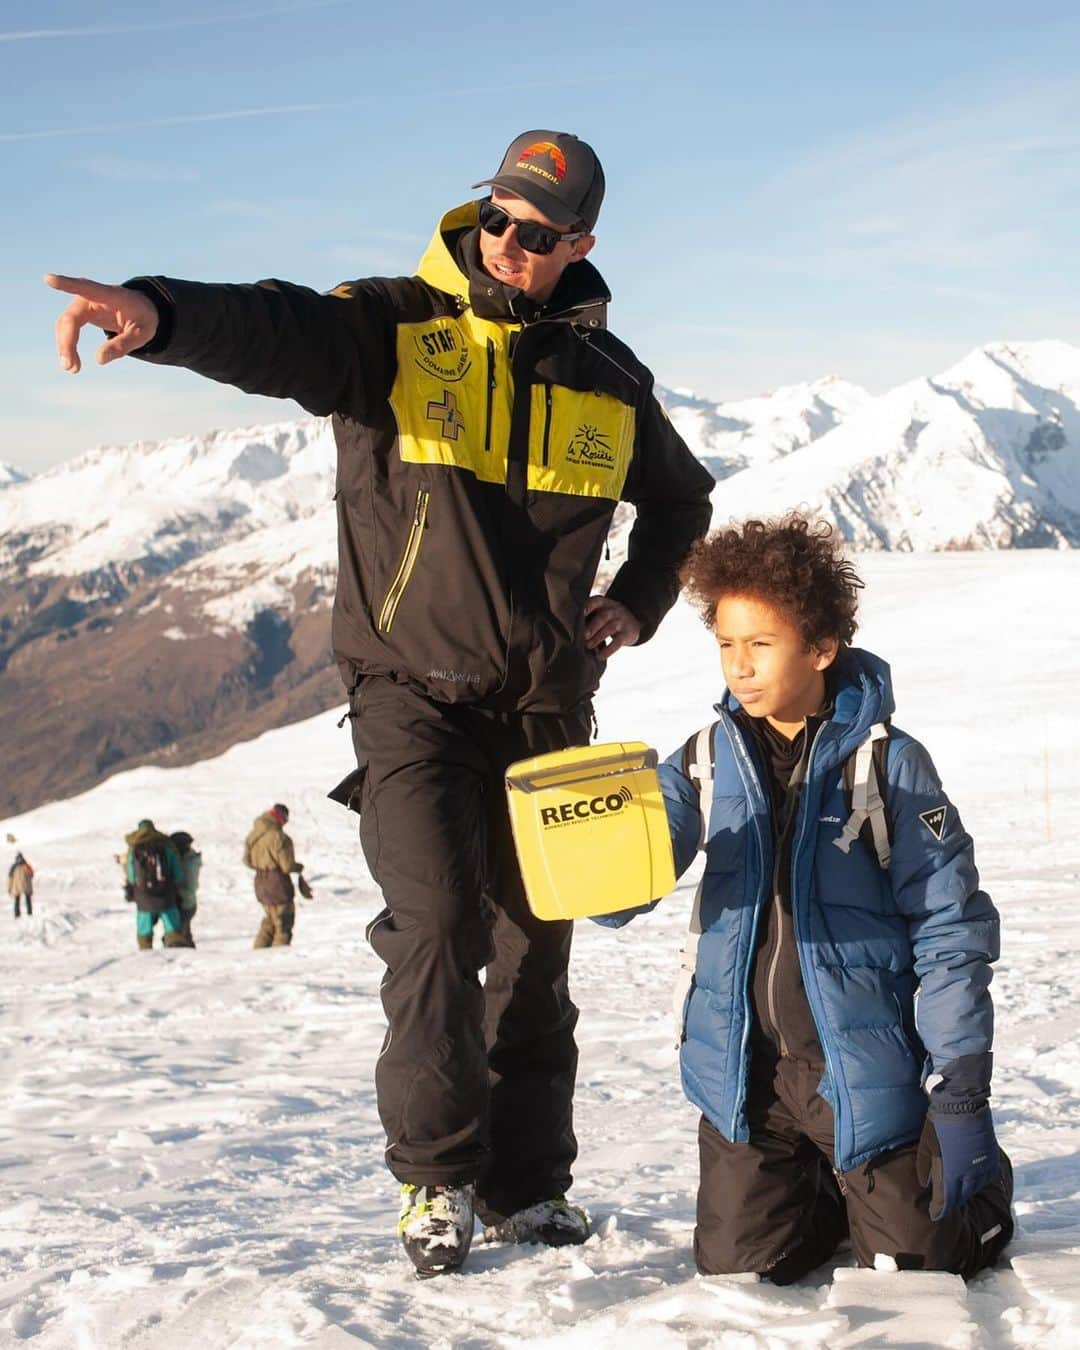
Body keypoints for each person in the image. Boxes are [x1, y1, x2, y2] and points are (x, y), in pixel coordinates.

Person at [45, 128, 715, 1278]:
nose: (510, 243)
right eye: (498, 217)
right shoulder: (395, 329)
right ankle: (439, 1181)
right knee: (440, 925)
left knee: (532, 952)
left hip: (547, 709)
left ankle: (527, 1188)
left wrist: (640, 602)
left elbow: (681, 500)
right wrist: (158, 314)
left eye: (538, 233)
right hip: (409, 694)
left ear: (580, 244)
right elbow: (277, 325)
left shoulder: (609, 380)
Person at [601, 514, 1013, 1281]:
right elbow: (628, 881)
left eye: (761, 644)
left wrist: (960, 1082)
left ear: (821, 648)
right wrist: (592, 869)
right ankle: (820, 1197)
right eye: (726, 644)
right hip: (745, 1075)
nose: (739, 666)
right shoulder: (703, 759)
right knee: (738, 1271)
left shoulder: (889, 765)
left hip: (860, 1068)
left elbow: (951, 925)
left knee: (919, 1266)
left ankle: (981, 1197)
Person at [244, 803, 309, 948]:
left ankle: (257, 955)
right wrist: (299, 867)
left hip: (260, 883)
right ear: (281, 818)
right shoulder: (280, 838)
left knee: (269, 921)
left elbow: (247, 861)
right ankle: (277, 960)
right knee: (283, 924)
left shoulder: (254, 834)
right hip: (277, 884)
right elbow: (287, 866)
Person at [124, 819, 187, 950]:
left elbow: (131, 874)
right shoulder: (164, 844)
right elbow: (177, 870)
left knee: (144, 928)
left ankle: (146, 954)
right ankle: (175, 950)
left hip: (143, 896)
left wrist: (136, 888)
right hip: (165, 893)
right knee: (172, 926)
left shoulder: (134, 847)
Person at [170, 830, 202, 947]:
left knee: (179, 937)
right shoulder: (188, 859)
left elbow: (190, 887)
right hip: (186, 903)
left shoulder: (189, 862)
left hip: (185, 904)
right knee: (185, 934)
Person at [8, 852, 34, 918]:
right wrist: (9, 888)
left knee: (26, 899)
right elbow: (10, 878)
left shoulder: (25, 865)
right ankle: (18, 914)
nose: (20, 859)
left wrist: (9, 888)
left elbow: (31, 874)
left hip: (23, 886)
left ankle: (28, 913)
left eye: (20, 858)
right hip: (18, 886)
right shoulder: (14, 867)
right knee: (18, 900)